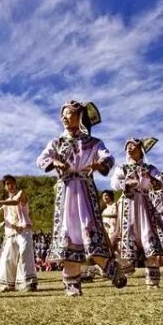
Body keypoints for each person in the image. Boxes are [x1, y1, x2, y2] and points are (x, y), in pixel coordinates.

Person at [37, 100, 126, 296]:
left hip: (85, 190)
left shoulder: (93, 143)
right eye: (64, 116)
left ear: (80, 118)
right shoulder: (56, 143)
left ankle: (111, 268)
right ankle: (72, 288)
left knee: (89, 229)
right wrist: (54, 162)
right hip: (65, 191)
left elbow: (108, 157)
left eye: (71, 115)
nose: (66, 119)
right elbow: (41, 159)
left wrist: (98, 164)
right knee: (68, 232)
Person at [110, 137, 163, 288]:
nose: (129, 148)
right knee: (126, 239)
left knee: (150, 239)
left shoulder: (150, 167)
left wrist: (151, 179)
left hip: (145, 205)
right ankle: (122, 268)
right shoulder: (122, 167)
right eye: (127, 146)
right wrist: (127, 183)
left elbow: (160, 184)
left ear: (140, 148)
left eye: (133, 145)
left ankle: (153, 281)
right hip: (128, 205)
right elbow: (114, 183)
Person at [0, 175, 38, 292]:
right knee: (8, 258)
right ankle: (7, 284)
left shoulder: (21, 193)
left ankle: (28, 284)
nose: (11, 185)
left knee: (25, 254)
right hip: (11, 233)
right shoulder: (6, 202)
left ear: (15, 184)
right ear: (5, 187)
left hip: (24, 230)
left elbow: (15, 202)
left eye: (12, 183)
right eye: (7, 184)